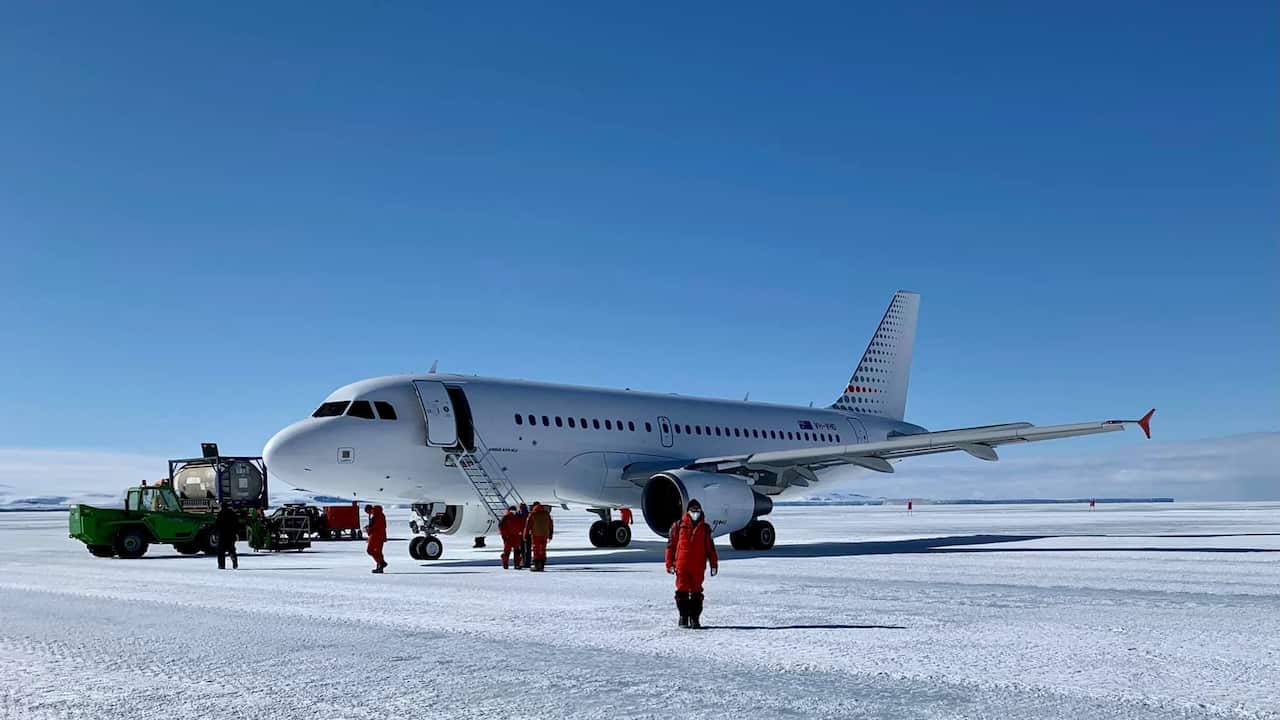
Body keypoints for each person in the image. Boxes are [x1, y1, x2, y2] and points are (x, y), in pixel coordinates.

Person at [665, 499, 718, 628]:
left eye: (697, 511)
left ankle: (695, 618)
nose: (695, 513)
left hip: (698, 566)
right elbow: (670, 546)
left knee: (696, 592)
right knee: (681, 591)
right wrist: (669, 564)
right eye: (693, 511)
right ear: (687, 512)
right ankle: (683, 616)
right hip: (682, 566)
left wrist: (714, 564)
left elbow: (710, 548)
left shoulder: (705, 529)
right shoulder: (677, 526)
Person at [524, 502, 554, 571]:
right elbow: (551, 525)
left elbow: (528, 525)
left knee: (536, 550)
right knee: (543, 549)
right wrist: (550, 535)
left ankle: (537, 565)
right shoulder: (546, 514)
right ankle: (542, 565)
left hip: (536, 535)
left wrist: (525, 535)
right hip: (544, 534)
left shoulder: (532, 514)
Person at [215, 503, 240, 570]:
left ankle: (221, 565)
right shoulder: (232, 513)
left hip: (222, 535)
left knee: (221, 551)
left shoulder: (220, 514)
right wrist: (236, 533)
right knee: (231, 549)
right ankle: (234, 561)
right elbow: (237, 524)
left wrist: (216, 533)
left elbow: (217, 524)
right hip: (231, 534)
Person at [498, 505, 524, 570]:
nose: (513, 511)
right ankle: (511, 564)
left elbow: (521, 525)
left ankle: (512, 564)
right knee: (511, 552)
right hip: (511, 537)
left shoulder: (510, 517)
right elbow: (501, 527)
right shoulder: (507, 517)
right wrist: (504, 535)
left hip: (513, 537)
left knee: (514, 551)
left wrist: (504, 536)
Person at [365, 504, 388, 574]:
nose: (369, 514)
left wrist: (369, 529)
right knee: (378, 552)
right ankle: (380, 568)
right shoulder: (379, 514)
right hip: (381, 535)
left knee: (370, 550)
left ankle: (381, 563)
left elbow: (377, 526)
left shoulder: (376, 515)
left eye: (368, 512)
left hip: (376, 535)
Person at [516, 502, 531, 569]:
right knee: (528, 549)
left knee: (521, 549)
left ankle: (522, 561)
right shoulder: (529, 514)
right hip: (528, 533)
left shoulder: (518, 515)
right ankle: (528, 562)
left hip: (521, 534)